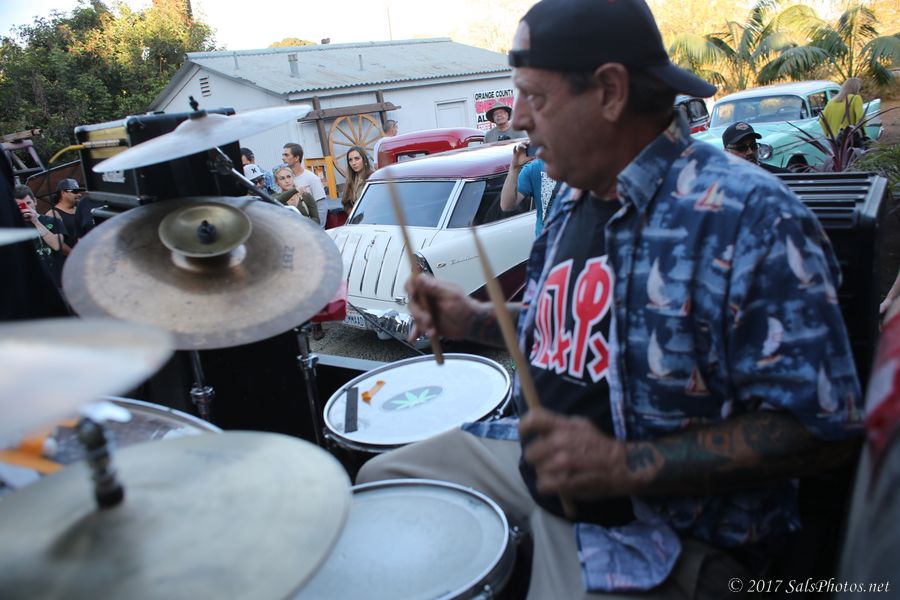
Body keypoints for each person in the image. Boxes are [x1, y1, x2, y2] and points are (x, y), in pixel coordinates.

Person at [358, 0, 861, 598]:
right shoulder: (575, 194)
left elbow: (822, 429)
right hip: (535, 464)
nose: (518, 119)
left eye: (533, 96)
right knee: (381, 485)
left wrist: (624, 465)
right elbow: (568, 329)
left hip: (658, 527)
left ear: (610, 92)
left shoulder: (750, 219)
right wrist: (474, 319)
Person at [14, 185, 68, 289]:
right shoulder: (13, 227)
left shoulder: (53, 221)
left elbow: (57, 245)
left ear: (35, 201)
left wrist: (36, 221)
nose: (26, 208)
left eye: (28, 203)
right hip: (31, 285)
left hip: (56, 282)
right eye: (21, 206)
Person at [499, 143, 560, 235]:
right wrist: (514, 168)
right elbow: (506, 206)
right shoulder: (533, 169)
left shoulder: (580, 165)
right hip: (546, 241)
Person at [282, 143, 327, 227]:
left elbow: (321, 207)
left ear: (296, 158)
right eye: (283, 155)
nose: (283, 158)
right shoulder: (285, 179)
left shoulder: (312, 178)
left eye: (286, 155)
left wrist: (319, 229)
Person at [721, 121, 790, 173]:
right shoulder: (719, 181)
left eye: (753, 146)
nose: (750, 152)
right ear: (726, 153)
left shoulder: (780, 176)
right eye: (741, 148)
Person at [820, 77, 865, 145]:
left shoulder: (831, 102)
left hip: (834, 142)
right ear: (855, 88)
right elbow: (860, 118)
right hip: (848, 140)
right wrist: (860, 133)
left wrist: (828, 134)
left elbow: (822, 121)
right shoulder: (855, 98)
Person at [45, 178, 82, 255]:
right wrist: (75, 255)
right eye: (75, 192)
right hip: (71, 258)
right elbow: (57, 242)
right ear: (63, 193)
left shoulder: (81, 209)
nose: (79, 194)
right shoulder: (52, 214)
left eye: (79, 192)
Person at [340, 146, 373, 213]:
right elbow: (346, 203)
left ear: (364, 159)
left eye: (357, 158)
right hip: (356, 217)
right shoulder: (350, 180)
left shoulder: (372, 177)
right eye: (350, 160)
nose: (353, 163)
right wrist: (353, 213)